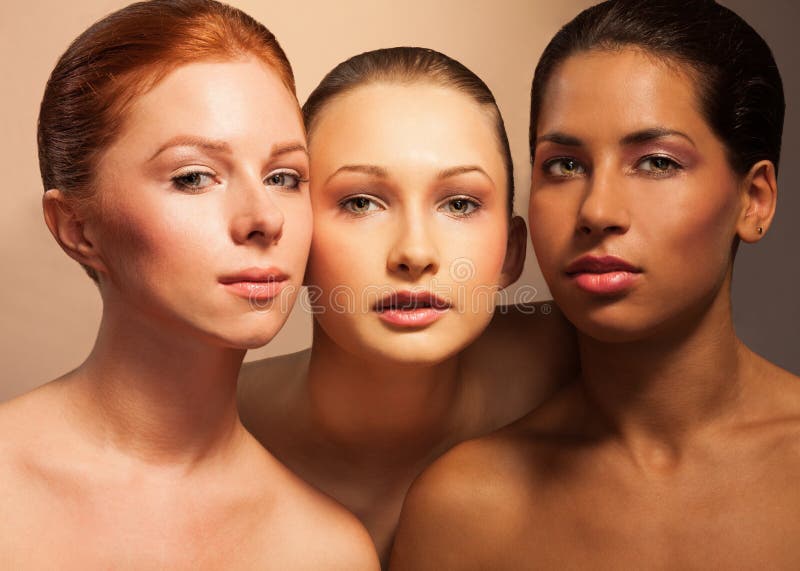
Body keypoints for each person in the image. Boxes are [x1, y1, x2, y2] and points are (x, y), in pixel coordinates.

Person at [390, 1, 800, 568]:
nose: (597, 210)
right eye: (564, 165)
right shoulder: (465, 508)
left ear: (753, 201)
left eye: (656, 162)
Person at [0, 1, 378, 568]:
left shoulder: (328, 551)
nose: (265, 217)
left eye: (283, 177)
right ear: (77, 228)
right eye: (194, 177)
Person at [237, 47, 577, 565]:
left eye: (459, 204)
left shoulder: (588, 383)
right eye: (360, 203)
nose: (415, 254)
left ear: (511, 252)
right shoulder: (214, 425)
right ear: (294, 236)